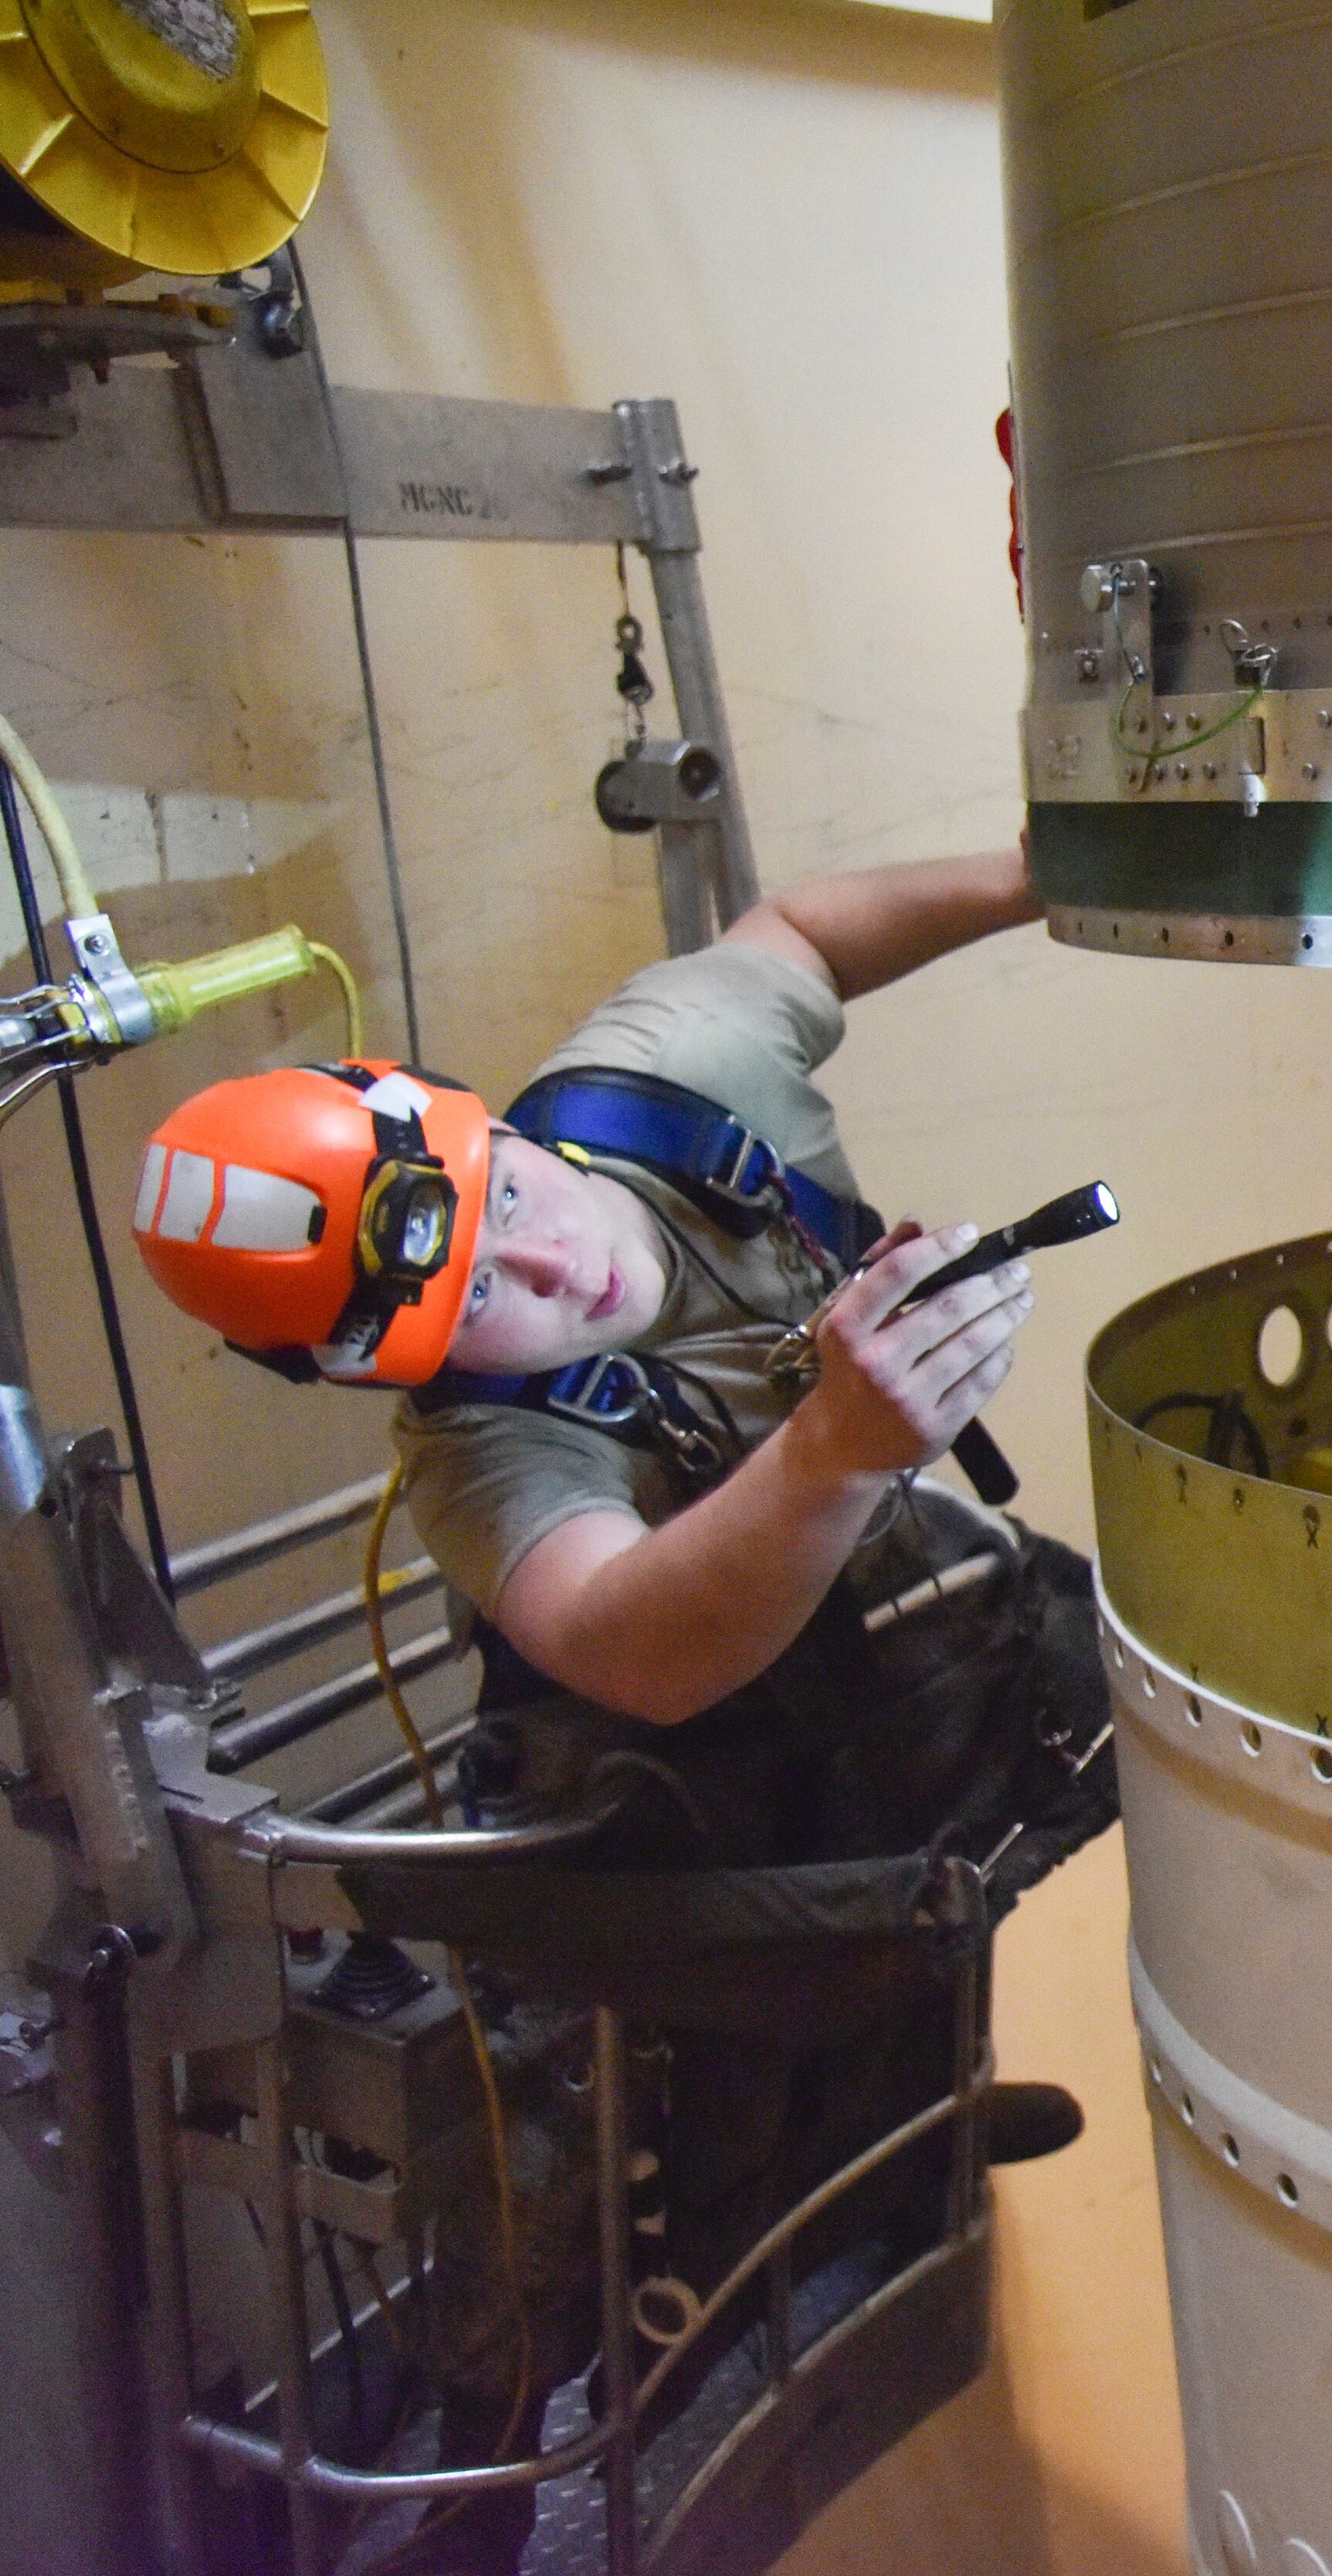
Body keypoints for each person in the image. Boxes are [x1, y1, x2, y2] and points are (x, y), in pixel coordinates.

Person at [131, 848, 1120, 2567]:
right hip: (679, 1807)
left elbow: (799, 929)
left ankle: (931, 2197)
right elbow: (629, 1640)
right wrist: (827, 1453)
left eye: (502, 1195)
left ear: (477, 1119)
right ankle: (497, 2510)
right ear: (396, 1366)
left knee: (1005, 1907)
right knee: (554, 2238)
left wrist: (1055, 867)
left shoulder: (659, 1088)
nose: (542, 1268)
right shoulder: (479, 1446)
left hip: (909, 1660)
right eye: (472, 1306)